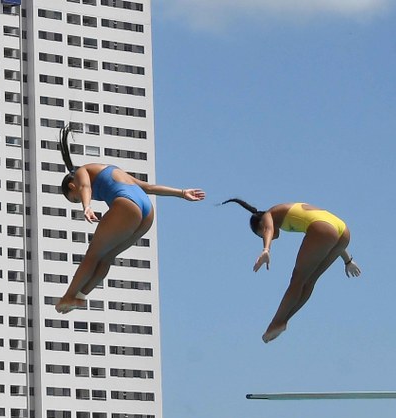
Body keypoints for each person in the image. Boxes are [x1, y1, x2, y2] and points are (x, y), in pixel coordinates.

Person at [55, 125, 205, 313]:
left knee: (93, 254)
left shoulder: (80, 172)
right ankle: (80, 297)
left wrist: (86, 206)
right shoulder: (115, 171)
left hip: (128, 205)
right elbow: (149, 188)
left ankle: (69, 295)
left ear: (71, 186)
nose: (80, 199)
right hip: (146, 210)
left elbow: (85, 187)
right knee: (107, 257)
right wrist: (181, 193)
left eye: (75, 199)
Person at [223, 199, 361, 342]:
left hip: (324, 228)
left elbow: (268, 229)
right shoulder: (284, 212)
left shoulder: (268, 214)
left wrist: (266, 249)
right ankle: (282, 322)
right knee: (309, 281)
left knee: (298, 280)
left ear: (261, 225)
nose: (268, 237)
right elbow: (331, 230)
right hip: (343, 231)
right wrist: (348, 261)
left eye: (261, 235)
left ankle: (276, 323)